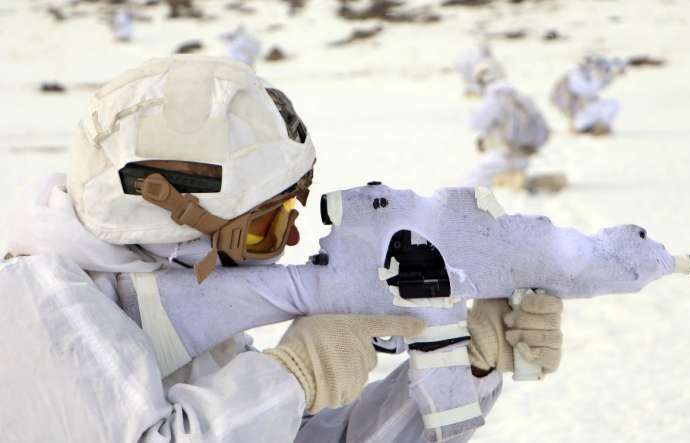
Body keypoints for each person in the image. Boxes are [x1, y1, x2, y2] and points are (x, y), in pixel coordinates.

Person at [0, 55, 565, 442]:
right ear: (163, 214)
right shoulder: (32, 303)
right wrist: (293, 374)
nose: (290, 240)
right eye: (263, 225)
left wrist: (467, 357)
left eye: (290, 212)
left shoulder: (165, 291)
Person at [465, 62, 565, 193]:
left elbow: (475, 123)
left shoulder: (495, 98)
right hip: (525, 155)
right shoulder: (523, 97)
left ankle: (513, 180)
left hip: (502, 155)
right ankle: (519, 180)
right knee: (497, 180)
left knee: (470, 185)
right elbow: (544, 129)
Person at [551, 56, 626, 135]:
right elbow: (589, 90)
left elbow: (597, 85)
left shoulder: (589, 77)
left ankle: (599, 128)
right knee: (595, 106)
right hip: (578, 116)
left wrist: (611, 75)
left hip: (583, 112)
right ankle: (581, 128)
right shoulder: (576, 77)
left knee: (613, 104)